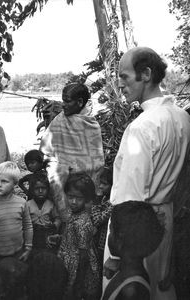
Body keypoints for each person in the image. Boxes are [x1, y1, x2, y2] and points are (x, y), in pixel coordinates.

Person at [103, 47, 190, 300]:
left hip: (134, 234)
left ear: (146, 74)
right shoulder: (182, 117)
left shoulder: (142, 126)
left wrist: (118, 255)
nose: (119, 84)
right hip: (165, 220)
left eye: (125, 77)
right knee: (160, 289)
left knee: (132, 290)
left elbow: (130, 195)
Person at [40, 83, 104, 221]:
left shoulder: (91, 125)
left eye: (67, 101)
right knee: (57, 176)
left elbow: (96, 160)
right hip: (63, 175)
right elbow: (47, 148)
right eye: (63, 100)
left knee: (83, 218)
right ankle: (65, 221)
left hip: (83, 178)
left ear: (80, 102)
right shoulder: (60, 119)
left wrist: (78, 168)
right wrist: (60, 166)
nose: (63, 105)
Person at [0, 161, 33, 298]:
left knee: (17, 287)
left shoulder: (22, 203)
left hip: (18, 254)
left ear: (15, 184)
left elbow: (28, 226)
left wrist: (28, 248)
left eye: (4, 181)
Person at [102, 201, 164, 300]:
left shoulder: (132, 290)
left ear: (120, 240)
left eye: (111, 231)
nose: (109, 236)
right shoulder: (127, 273)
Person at [58, 172, 101, 300]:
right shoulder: (73, 213)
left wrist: (79, 283)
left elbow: (83, 256)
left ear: (86, 199)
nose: (74, 202)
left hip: (77, 269)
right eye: (70, 197)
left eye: (79, 198)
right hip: (70, 260)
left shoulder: (83, 223)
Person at [27, 173, 61, 251]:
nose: (40, 191)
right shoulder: (27, 205)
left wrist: (54, 226)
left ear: (48, 189)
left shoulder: (51, 204)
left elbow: (57, 218)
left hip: (48, 235)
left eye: (43, 188)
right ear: (32, 190)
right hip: (33, 236)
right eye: (37, 188)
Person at [91, 167, 113, 273]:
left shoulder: (112, 203)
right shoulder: (105, 199)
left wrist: (95, 204)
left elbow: (97, 220)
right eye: (100, 183)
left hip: (104, 245)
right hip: (98, 242)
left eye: (104, 184)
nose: (100, 186)